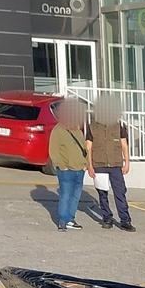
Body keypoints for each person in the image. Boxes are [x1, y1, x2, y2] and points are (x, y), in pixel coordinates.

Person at [86, 95, 135, 232]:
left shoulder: (119, 126)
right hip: (99, 164)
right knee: (103, 194)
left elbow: (124, 145)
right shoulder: (92, 127)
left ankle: (125, 220)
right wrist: (89, 166)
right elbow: (88, 147)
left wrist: (127, 162)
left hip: (115, 165)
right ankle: (107, 218)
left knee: (120, 193)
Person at [48, 98, 89, 232]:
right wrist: (61, 165)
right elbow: (53, 150)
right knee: (65, 195)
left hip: (79, 169)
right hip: (66, 170)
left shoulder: (77, 129)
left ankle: (70, 219)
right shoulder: (58, 130)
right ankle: (62, 220)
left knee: (76, 195)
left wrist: (86, 164)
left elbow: (84, 148)